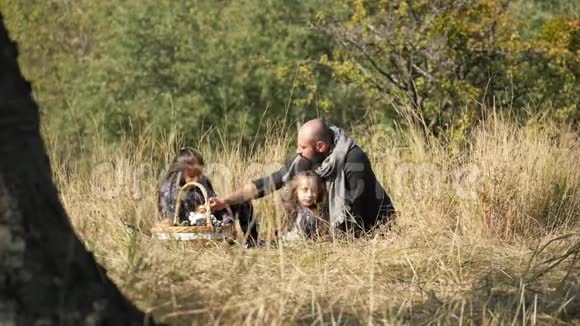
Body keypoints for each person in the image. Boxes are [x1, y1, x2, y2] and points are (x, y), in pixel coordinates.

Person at [210, 119, 395, 236]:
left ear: (321, 146)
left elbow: (355, 215)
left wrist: (330, 242)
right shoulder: (307, 158)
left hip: (375, 228)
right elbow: (269, 183)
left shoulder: (354, 161)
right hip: (333, 229)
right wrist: (225, 200)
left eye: (303, 147)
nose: (299, 151)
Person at [157, 147, 258, 244]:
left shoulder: (203, 181)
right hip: (188, 226)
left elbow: (213, 203)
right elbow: (170, 221)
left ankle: (252, 242)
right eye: (192, 176)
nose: (196, 179)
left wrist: (226, 220)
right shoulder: (168, 189)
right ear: (179, 171)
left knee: (243, 202)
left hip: (211, 219)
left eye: (199, 174)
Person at [281, 170, 330, 240]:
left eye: (313, 191)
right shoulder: (289, 210)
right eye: (305, 190)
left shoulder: (317, 213)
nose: (309, 195)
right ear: (296, 191)